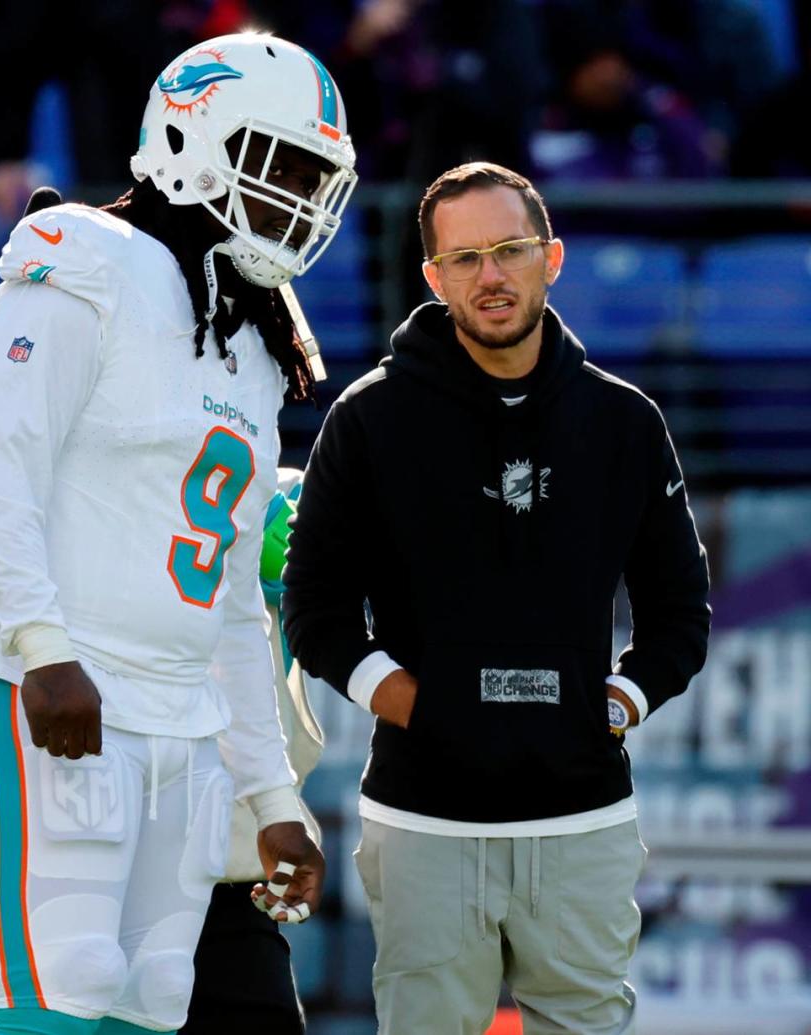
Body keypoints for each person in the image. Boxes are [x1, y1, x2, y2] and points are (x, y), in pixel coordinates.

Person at [0, 31, 356, 1035]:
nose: (299, 198)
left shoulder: (250, 337)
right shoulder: (89, 263)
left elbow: (235, 604)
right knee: (64, 981)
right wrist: (42, 650)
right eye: (280, 163)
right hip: (48, 693)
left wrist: (266, 791)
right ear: (188, 138)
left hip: (178, 719)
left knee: (156, 998)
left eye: (315, 176)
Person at [282, 161, 711, 1035]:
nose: (491, 275)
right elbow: (315, 607)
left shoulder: (625, 422)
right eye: (466, 258)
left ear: (550, 258)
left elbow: (680, 612)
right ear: (434, 279)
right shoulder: (368, 420)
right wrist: (416, 706)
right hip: (423, 821)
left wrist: (619, 704)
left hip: (584, 817)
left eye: (510, 250)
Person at [0, 467, 325, 1034]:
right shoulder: (60, 497)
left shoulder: (274, 488)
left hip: (222, 873)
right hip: (62, 852)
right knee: (53, 1004)